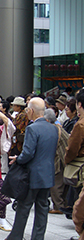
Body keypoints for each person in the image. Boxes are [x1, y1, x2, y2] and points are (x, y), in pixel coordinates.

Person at [7, 97, 58, 240]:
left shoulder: (32, 128)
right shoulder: (54, 129)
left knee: (24, 207)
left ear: (31, 110)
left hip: (32, 174)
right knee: (42, 208)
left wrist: (18, 159)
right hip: (47, 174)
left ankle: (15, 237)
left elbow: (28, 153)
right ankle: (38, 237)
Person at [62, 90, 84, 221]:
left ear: (79, 104)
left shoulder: (80, 124)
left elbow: (72, 149)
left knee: (79, 205)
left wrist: (67, 159)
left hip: (80, 167)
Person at [43, 109, 69, 214]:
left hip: (60, 159)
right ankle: (62, 204)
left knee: (56, 185)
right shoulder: (58, 127)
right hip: (64, 159)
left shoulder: (53, 129)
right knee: (61, 184)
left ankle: (59, 206)